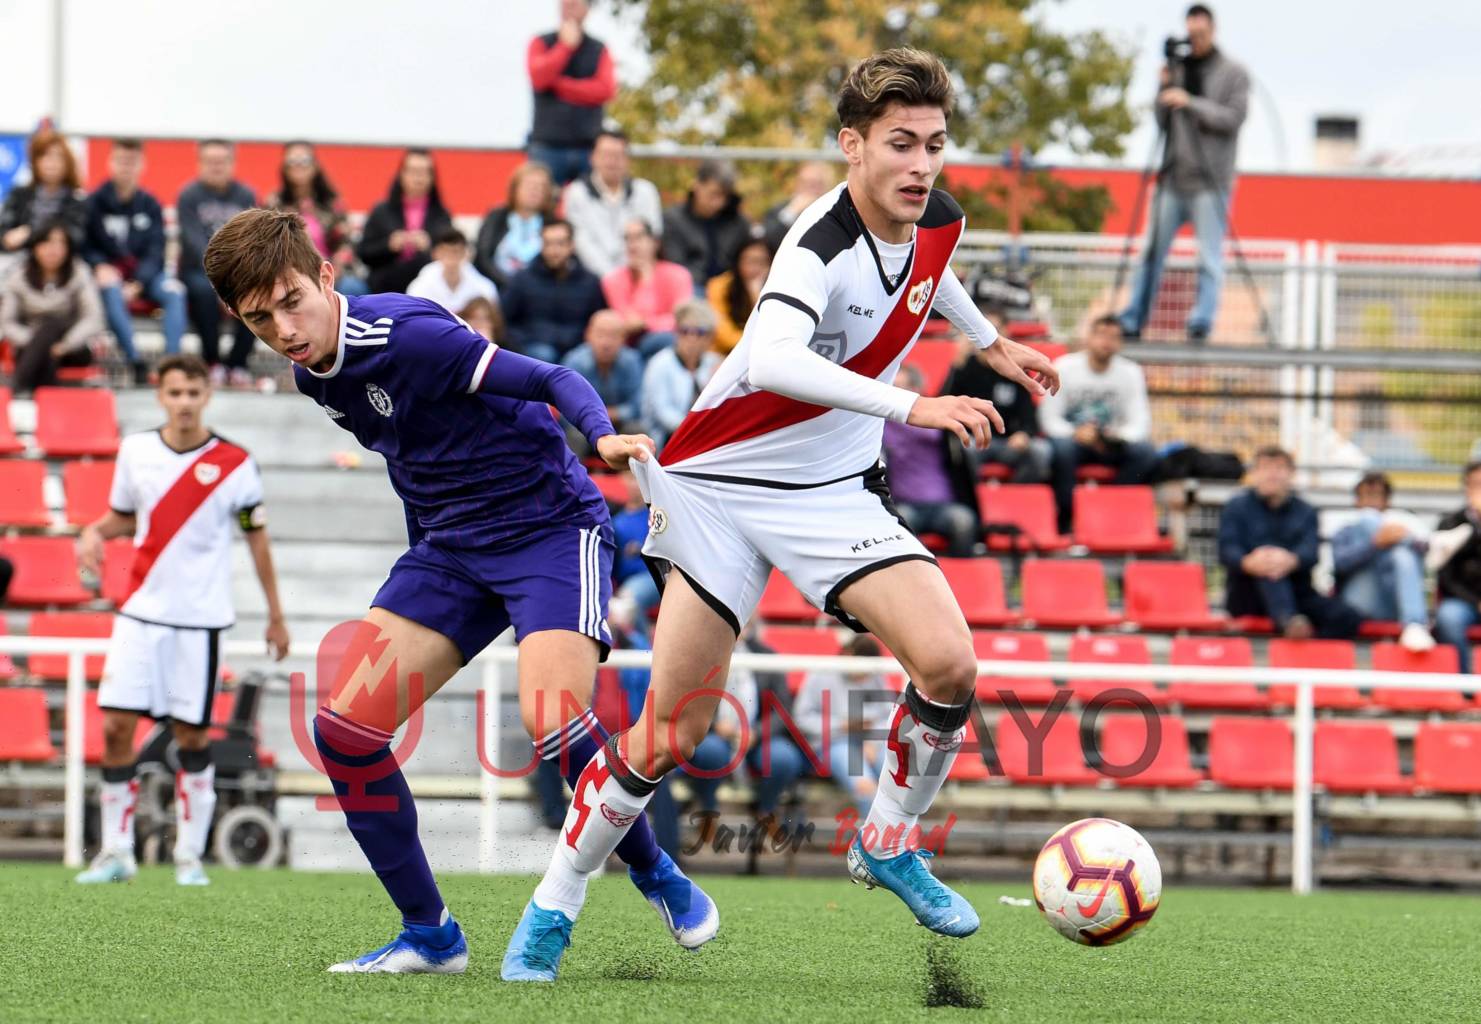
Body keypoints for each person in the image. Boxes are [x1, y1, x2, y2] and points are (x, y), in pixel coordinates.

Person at [510, 47, 1058, 981]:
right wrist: (914, 405)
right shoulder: (818, 241)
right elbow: (769, 360)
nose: (921, 164)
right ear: (852, 146)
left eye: (933, 143)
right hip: (720, 486)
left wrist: (988, 340)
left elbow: (929, 275)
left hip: (828, 487)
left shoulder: (938, 217)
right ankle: (554, 900)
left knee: (950, 663)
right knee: (671, 732)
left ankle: (887, 842)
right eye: (898, 144)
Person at [202, 208, 712, 973]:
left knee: (554, 724)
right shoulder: (312, 373)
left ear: (327, 277)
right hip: (450, 550)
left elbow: (551, 376)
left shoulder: (411, 334)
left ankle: (653, 870)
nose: (283, 327)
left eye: (291, 301)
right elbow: (413, 457)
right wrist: (422, 574)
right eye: (258, 318)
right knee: (345, 737)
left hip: (548, 529)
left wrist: (599, 433)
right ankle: (431, 936)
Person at [72, 354, 290, 887]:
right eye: (175, 393)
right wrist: (95, 532)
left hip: (199, 618)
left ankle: (190, 856)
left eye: (194, 393)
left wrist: (275, 615)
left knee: (192, 737)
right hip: (140, 611)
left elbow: (255, 537)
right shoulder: (137, 451)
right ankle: (117, 852)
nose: (185, 403)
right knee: (117, 727)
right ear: (160, 394)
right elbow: (128, 514)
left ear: (207, 395)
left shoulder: (237, 463)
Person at [1118, 4, 1250, 343]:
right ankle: (1133, 318)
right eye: (1191, 33)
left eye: (1201, 33)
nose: (1195, 39)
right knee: (1150, 253)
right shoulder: (1177, 70)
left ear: (1212, 30)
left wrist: (1191, 101)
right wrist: (1162, 91)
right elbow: (1162, 124)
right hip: (1173, 177)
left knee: (1208, 257)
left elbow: (1233, 119)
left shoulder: (1233, 71)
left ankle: (1201, 321)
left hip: (1211, 181)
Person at [1218, 445, 1359, 640]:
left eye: (1279, 468)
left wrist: (1291, 560)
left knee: (1347, 617)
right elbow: (1227, 549)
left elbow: (1311, 553)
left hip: (1297, 591)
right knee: (1270, 569)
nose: (1272, 474)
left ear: (1291, 473)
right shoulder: (1236, 507)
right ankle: (1289, 622)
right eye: (1265, 468)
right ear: (1254, 473)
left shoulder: (1306, 511)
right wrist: (1250, 562)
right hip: (1248, 593)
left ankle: (1306, 649)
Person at [1038, 315, 1159, 532]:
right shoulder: (1064, 367)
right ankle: (1067, 517)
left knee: (1145, 452)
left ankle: (1113, 513)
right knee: (1060, 449)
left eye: (1113, 337)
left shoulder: (1130, 372)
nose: (1106, 342)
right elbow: (1049, 419)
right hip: (1075, 440)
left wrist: (1115, 437)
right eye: (1102, 335)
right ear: (1089, 337)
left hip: (1111, 442)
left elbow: (1140, 422)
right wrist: (1076, 432)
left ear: (1120, 343)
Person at [83, 139, 187, 383]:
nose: (126, 167)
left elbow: (156, 250)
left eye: (131, 162)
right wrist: (100, 265)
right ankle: (135, 361)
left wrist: (139, 282)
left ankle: (171, 364)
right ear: (110, 163)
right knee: (110, 288)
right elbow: (86, 246)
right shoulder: (94, 202)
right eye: (121, 161)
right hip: (110, 275)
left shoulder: (150, 204)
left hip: (146, 277)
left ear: (142, 165)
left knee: (175, 291)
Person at [176, 140, 258, 384]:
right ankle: (211, 361)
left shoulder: (246, 195)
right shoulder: (188, 196)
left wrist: (232, 278)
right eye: (210, 162)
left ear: (232, 164)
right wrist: (219, 282)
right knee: (202, 291)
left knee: (255, 290)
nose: (216, 167)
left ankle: (238, 363)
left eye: (221, 162)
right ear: (200, 164)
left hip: (238, 270)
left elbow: (252, 237)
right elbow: (193, 241)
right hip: (198, 270)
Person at [881, 364, 982, 557]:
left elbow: (952, 407)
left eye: (904, 387)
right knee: (898, 524)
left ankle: (960, 580)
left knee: (964, 521)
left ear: (917, 390)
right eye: (893, 387)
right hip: (904, 505)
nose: (898, 393)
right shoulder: (880, 425)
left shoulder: (938, 424)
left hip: (943, 504)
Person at [942, 306, 1050, 483]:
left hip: (1007, 443)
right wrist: (956, 367)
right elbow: (943, 405)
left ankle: (1012, 499)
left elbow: (1029, 415)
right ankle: (973, 505)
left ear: (1006, 333)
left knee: (1041, 451)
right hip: (971, 441)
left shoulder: (1016, 369)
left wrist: (1024, 434)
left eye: (995, 330)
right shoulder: (964, 366)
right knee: (960, 452)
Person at [1331, 471, 1434, 652]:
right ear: (1357, 501)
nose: (1371, 501)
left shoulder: (1404, 523)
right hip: (1358, 603)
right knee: (1369, 520)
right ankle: (1415, 624)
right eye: (1366, 495)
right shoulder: (1345, 528)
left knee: (1402, 555)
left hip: (1393, 602)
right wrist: (1375, 543)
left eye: (1376, 495)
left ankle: (1414, 626)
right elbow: (1340, 564)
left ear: (1387, 501)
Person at [793, 634, 894, 814]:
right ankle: (878, 841)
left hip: (870, 742)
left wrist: (873, 742)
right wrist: (842, 725)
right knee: (865, 787)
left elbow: (887, 715)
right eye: (862, 671)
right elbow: (802, 718)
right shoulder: (820, 675)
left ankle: (899, 840)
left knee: (897, 786)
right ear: (847, 655)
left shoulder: (875, 674)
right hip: (834, 742)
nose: (865, 678)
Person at [0, 221, 105, 393]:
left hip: (72, 349)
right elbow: (7, 322)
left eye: (60, 243)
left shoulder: (79, 273)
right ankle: (52, 402)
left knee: (53, 324)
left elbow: (93, 317)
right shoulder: (18, 277)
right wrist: (37, 342)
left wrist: (64, 345)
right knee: (47, 332)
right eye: (47, 242)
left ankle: (18, 389)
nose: (53, 249)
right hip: (29, 346)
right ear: (35, 247)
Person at [526, 0, 618, 185]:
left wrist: (559, 85)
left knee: (591, 205)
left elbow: (605, 90)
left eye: (576, 4)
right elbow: (539, 78)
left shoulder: (599, 48)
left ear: (587, 9)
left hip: (588, 147)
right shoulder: (541, 42)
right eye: (566, 3)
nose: (569, 7)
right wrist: (565, 47)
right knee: (543, 203)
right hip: (548, 146)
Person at [265, 141, 366, 296]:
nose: (298, 166)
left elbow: (346, 242)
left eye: (304, 160)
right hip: (288, 272)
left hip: (332, 270)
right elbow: (268, 246)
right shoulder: (274, 204)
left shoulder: (332, 203)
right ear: (284, 167)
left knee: (352, 288)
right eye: (292, 161)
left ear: (315, 165)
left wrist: (334, 267)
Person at [501, 218, 607, 364]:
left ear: (572, 245)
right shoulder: (522, 279)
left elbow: (599, 321)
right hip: (534, 348)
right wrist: (524, 340)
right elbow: (504, 322)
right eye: (548, 244)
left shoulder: (590, 282)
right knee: (544, 356)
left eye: (560, 244)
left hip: (578, 349)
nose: (553, 250)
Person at [562, 130, 663, 279]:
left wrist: (628, 276)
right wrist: (612, 278)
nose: (612, 161)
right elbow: (581, 242)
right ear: (593, 158)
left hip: (638, 276)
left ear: (627, 159)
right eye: (605, 155)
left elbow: (652, 236)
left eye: (618, 156)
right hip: (591, 279)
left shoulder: (645, 191)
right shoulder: (576, 193)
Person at [355, 149, 453, 295]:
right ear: (401, 174)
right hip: (385, 284)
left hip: (427, 285)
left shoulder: (441, 214)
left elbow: (449, 255)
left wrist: (430, 245)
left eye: (425, 172)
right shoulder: (382, 211)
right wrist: (389, 245)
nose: (418, 178)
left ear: (432, 177)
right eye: (413, 171)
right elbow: (363, 252)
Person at [602, 219, 693, 359]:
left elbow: (681, 319)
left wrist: (645, 323)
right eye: (627, 239)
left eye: (639, 237)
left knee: (666, 340)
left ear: (655, 242)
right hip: (627, 345)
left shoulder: (679, 275)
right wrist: (644, 281)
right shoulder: (613, 279)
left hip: (667, 339)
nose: (632, 245)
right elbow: (626, 322)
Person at [640, 300, 721, 448]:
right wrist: (697, 430)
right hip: (665, 441)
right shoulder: (660, 364)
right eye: (684, 331)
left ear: (710, 337)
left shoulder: (714, 363)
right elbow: (664, 414)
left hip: (704, 437)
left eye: (699, 332)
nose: (691, 338)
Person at [661, 160, 753, 289]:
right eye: (713, 194)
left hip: (730, 292)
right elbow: (676, 269)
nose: (719, 203)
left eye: (725, 196)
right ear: (697, 185)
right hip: (691, 289)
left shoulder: (738, 223)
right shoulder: (673, 220)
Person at [0, 128, 87, 256]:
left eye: (58, 156)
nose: (51, 163)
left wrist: (29, 233)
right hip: (19, 263)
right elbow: (5, 237)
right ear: (34, 162)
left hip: (63, 267)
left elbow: (75, 239)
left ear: (68, 162)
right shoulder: (19, 195)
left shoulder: (77, 200)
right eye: (45, 155)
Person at [561, 309, 644, 440]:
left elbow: (638, 405)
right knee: (575, 435)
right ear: (588, 335)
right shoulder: (575, 362)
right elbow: (566, 407)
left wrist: (615, 414)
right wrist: (599, 417)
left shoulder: (632, 361)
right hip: (584, 427)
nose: (606, 343)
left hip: (619, 425)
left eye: (613, 336)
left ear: (623, 338)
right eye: (600, 335)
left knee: (637, 430)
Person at [474, 162, 557, 291]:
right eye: (530, 185)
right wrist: (509, 285)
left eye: (541, 187)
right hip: (496, 287)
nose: (535, 190)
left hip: (538, 292)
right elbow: (483, 257)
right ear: (515, 188)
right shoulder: (497, 216)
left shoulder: (553, 223)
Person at [1433, 462, 1481, 673]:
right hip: (1463, 601)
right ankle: (1464, 686)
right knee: (1448, 619)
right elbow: (1445, 576)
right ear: (1466, 488)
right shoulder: (1450, 523)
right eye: (1476, 484)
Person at [406, 228, 499, 314]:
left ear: (465, 253)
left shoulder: (483, 288)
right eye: (445, 252)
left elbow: (493, 320)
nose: (451, 257)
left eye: (456, 251)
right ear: (435, 253)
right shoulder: (420, 286)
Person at [706, 235, 771, 355]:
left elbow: (771, 329)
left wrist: (755, 296)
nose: (755, 268)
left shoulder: (775, 288)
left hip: (761, 354)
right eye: (750, 261)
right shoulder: (718, 286)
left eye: (762, 262)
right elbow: (723, 334)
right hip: (724, 355)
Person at [762, 161, 836, 253]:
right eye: (805, 182)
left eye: (816, 184)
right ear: (797, 183)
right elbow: (768, 242)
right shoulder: (779, 210)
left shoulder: (834, 212)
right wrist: (792, 212)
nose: (810, 188)